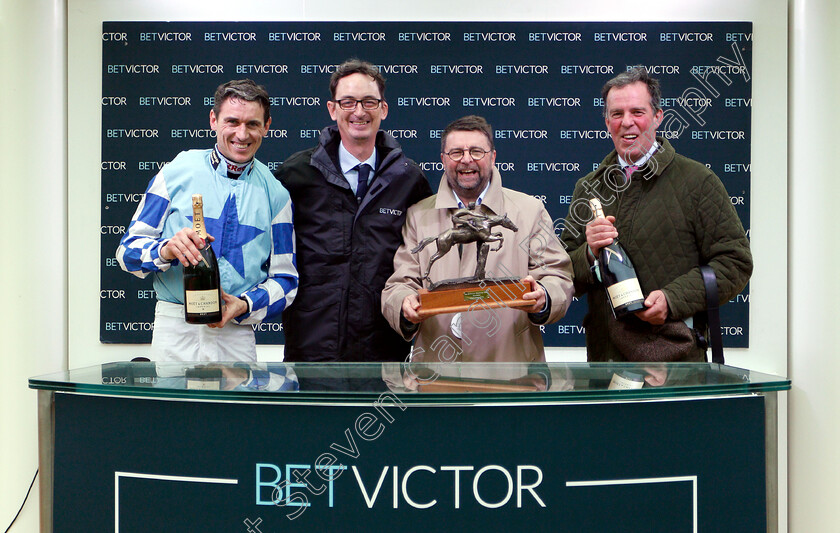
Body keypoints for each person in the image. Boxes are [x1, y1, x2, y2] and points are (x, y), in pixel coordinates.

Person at [559, 67, 753, 362]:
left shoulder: (698, 181)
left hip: (677, 361)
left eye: (637, 112)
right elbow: (563, 271)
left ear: (657, 117)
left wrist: (672, 299)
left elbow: (734, 263)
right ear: (606, 122)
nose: (627, 123)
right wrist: (589, 254)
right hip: (605, 364)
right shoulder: (588, 187)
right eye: (616, 114)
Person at [116, 79, 298, 362]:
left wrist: (245, 305)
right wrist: (165, 250)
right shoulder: (176, 172)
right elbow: (126, 254)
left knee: (232, 409)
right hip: (174, 330)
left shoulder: (276, 195)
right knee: (172, 408)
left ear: (267, 126)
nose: (242, 133)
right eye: (232, 121)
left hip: (236, 334)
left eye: (252, 124)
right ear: (213, 120)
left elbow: (287, 281)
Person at [382, 115, 575, 363]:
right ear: (443, 159)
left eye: (476, 151)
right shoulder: (418, 215)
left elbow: (558, 275)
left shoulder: (530, 210)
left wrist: (545, 296)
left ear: (492, 157)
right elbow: (399, 284)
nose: (466, 159)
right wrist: (403, 304)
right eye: (456, 152)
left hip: (511, 374)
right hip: (439, 378)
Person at [275, 59, 432, 363]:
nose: (359, 112)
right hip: (311, 350)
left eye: (369, 102)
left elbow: (424, 259)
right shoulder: (295, 175)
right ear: (332, 109)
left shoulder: (409, 179)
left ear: (383, 109)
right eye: (348, 102)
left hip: (384, 352)